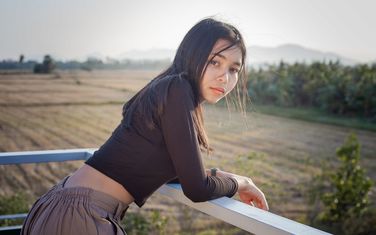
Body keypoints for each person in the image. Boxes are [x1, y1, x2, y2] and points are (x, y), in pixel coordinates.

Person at [21, 17, 268, 235]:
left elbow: (178, 175)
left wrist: (214, 175)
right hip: (81, 215)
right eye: (215, 62)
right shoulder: (177, 89)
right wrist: (241, 182)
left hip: (65, 206)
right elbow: (197, 189)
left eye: (234, 69)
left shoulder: (169, 90)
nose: (225, 77)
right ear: (192, 56)